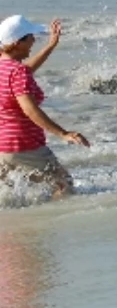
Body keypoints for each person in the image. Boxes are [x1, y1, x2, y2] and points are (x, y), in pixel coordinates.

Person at [0, 16, 90, 199]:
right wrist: (63, 133)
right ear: (18, 42)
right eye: (30, 37)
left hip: (2, 147)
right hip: (23, 145)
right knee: (64, 185)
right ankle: (49, 224)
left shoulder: (7, 69)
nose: (34, 40)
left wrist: (50, 46)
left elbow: (25, 71)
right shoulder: (18, 72)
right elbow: (30, 110)